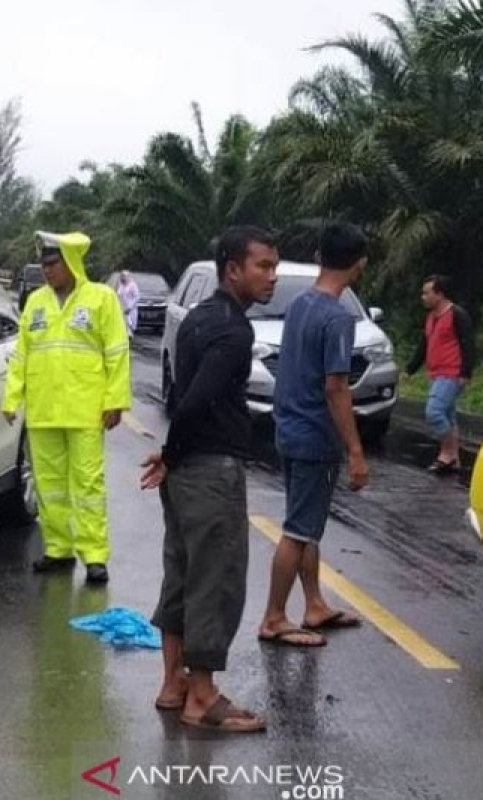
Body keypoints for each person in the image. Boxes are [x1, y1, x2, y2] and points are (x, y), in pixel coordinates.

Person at [140, 226, 278, 733]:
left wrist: (173, 458)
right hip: (210, 470)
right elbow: (195, 400)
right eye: (262, 267)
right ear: (232, 269)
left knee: (180, 573)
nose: (271, 277)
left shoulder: (198, 319)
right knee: (213, 580)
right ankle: (202, 697)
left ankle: (173, 684)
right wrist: (173, 454)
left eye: (273, 267)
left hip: (186, 472)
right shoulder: (234, 331)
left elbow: (179, 394)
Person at [258, 222, 369, 648]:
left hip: (288, 426)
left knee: (306, 524)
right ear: (359, 264)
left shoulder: (302, 304)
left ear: (320, 257)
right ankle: (273, 617)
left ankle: (315, 603)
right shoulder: (338, 317)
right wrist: (356, 451)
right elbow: (336, 387)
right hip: (314, 437)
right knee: (298, 529)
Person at [3, 231, 131, 584]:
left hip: (85, 409)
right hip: (43, 411)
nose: (47, 270)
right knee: (49, 485)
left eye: (53, 263)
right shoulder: (36, 303)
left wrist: (115, 400)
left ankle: (94, 555)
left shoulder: (101, 299)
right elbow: (22, 354)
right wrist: (12, 397)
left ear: (71, 263)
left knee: (87, 484)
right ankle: (58, 549)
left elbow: (117, 352)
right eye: (43, 264)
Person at [405, 275, 475, 474]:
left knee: (434, 412)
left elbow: (468, 344)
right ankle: (454, 459)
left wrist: (465, 373)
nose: (423, 297)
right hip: (436, 373)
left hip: (451, 373)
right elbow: (424, 345)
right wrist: (411, 368)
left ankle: (447, 453)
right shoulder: (431, 317)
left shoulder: (457, 315)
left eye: (427, 293)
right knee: (448, 415)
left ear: (440, 294)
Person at [116, 270, 141, 338]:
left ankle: (130, 335)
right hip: (122, 307)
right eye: (122, 276)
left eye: (124, 276)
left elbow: (137, 297)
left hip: (131, 308)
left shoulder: (132, 285)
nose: (123, 278)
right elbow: (118, 295)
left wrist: (130, 307)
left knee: (130, 323)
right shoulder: (121, 285)